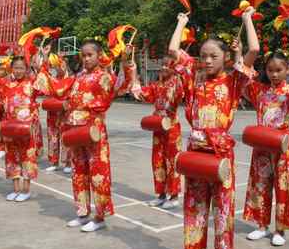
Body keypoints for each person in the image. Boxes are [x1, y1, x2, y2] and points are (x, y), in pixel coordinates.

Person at [168, 9, 259, 249]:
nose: (207, 60)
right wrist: (181, 22)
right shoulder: (193, 80)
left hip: (221, 157)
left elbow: (254, 48)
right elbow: (173, 49)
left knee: (222, 212)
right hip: (195, 154)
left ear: (226, 58)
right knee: (194, 210)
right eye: (203, 55)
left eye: (213, 56)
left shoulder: (234, 81)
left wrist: (247, 19)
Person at [38, 41, 135, 232]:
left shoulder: (104, 77)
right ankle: (82, 213)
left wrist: (125, 61)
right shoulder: (78, 77)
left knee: (98, 173)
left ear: (99, 55)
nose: (86, 58)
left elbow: (121, 85)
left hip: (93, 131)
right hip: (75, 130)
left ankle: (99, 217)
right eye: (84, 55)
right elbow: (57, 88)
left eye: (90, 54)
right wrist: (43, 62)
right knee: (79, 173)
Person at [241, 40, 289, 248]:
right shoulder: (259, 91)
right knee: (260, 185)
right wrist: (240, 51)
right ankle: (261, 225)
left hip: (283, 146)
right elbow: (242, 74)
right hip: (261, 146)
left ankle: (280, 229)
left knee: (282, 187)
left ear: (286, 70)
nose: (274, 74)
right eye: (270, 70)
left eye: (278, 70)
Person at [0, 48, 45, 202]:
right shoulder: (5, 84)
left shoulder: (32, 84)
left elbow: (43, 76)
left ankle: (26, 189)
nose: (18, 71)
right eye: (16, 68)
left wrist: (42, 56)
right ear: (11, 68)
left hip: (27, 128)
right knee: (11, 158)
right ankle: (16, 189)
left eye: (21, 68)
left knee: (27, 157)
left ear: (26, 69)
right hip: (10, 128)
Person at [131, 55, 184, 210]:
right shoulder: (157, 85)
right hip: (158, 128)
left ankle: (173, 195)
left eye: (167, 65)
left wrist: (179, 76)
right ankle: (161, 194)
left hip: (172, 128)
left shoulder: (177, 83)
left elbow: (182, 93)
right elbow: (141, 93)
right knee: (158, 161)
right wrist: (133, 72)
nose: (164, 67)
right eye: (163, 64)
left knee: (172, 161)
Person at [44, 53, 71, 173]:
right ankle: (54, 162)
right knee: (53, 138)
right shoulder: (52, 80)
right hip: (52, 114)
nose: (59, 68)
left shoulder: (72, 80)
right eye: (57, 66)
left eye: (62, 65)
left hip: (66, 114)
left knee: (66, 139)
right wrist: (45, 56)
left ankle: (68, 163)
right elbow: (43, 73)